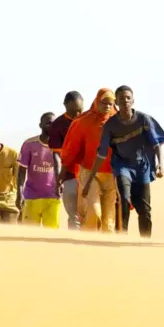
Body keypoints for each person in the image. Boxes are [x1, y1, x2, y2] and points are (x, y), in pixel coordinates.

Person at [83, 86, 164, 238]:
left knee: (145, 209)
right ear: (117, 102)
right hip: (122, 166)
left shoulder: (143, 119)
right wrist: (89, 180)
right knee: (125, 198)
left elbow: (156, 143)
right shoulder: (110, 125)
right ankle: (123, 234)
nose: (125, 101)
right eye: (121, 98)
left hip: (142, 168)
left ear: (133, 100)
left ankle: (145, 240)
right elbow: (101, 154)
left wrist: (160, 164)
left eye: (128, 98)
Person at [60, 89, 118, 233]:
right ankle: (87, 243)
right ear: (97, 101)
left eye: (111, 103)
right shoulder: (83, 121)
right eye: (104, 102)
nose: (107, 106)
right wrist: (65, 167)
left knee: (109, 220)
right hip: (89, 172)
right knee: (93, 212)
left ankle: (105, 249)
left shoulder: (118, 120)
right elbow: (71, 147)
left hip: (112, 174)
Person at [48, 91, 85, 229]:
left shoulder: (87, 120)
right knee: (73, 216)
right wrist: (59, 179)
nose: (77, 115)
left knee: (90, 214)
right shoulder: (58, 125)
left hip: (88, 175)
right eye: (74, 111)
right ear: (65, 105)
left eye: (80, 110)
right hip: (69, 176)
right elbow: (57, 155)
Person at [17, 112, 61, 228]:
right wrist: (19, 193)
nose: (51, 126)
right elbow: (21, 172)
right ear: (40, 125)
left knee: (51, 236)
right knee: (29, 236)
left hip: (53, 197)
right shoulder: (29, 144)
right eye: (48, 123)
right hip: (31, 197)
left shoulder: (61, 145)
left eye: (54, 124)